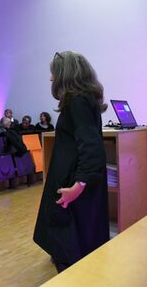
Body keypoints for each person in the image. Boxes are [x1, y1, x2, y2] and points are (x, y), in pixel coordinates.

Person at [33, 51, 109, 273]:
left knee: (71, 242)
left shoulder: (78, 102)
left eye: (53, 73)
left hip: (73, 180)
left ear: (65, 74)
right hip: (71, 176)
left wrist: (79, 185)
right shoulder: (82, 100)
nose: (50, 78)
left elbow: (92, 148)